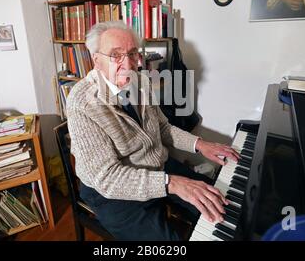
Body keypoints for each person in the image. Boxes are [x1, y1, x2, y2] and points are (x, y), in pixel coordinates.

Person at [66, 21, 240, 240]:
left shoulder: (140, 81)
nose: (128, 63)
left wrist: (200, 144)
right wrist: (172, 183)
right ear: (96, 59)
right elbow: (107, 178)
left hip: (158, 167)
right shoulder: (81, 103)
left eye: (132, 53)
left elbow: (162, 127)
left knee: (221, 203)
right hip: (113, 192)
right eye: (116, 55)